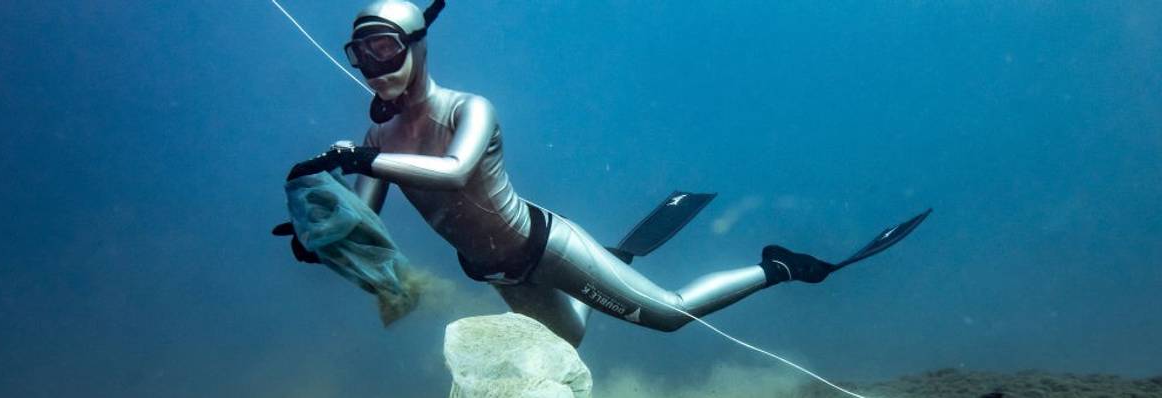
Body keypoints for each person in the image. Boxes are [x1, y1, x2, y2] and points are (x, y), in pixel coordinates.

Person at [274, 0, 928, 347]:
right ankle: (613, 264)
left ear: (417, 47)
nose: (372, 65)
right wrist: (317, 239)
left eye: (384, 47)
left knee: (668, 317)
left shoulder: (469, 109)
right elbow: (363, 219)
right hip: (498, 272)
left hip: (545, 245)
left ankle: (778, 266)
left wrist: (360, 159)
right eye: (361, 53)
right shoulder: (377, 139)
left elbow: (455, 171)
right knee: (571, 341)